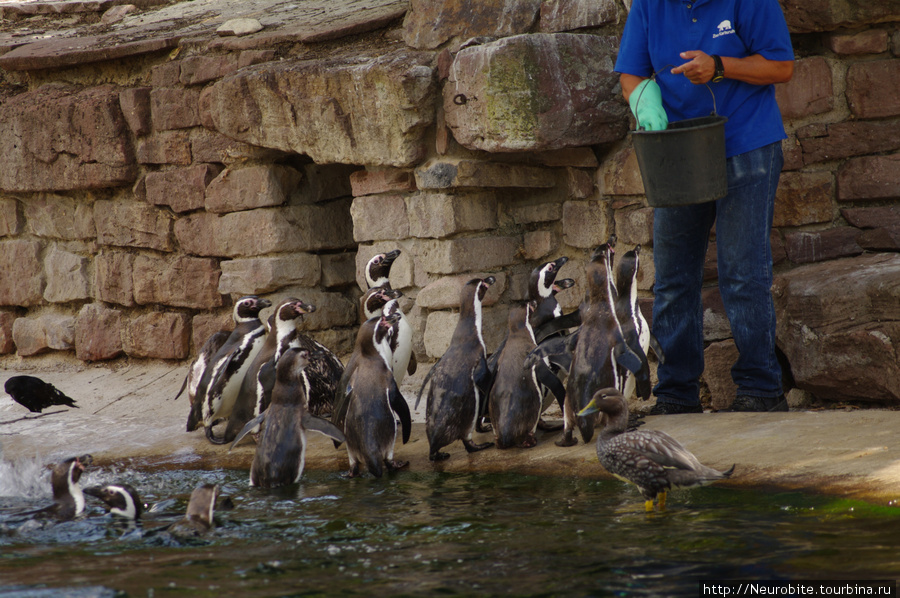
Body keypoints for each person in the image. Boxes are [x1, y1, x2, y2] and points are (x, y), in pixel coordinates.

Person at [615, 0, 794, 413]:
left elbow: (781, 67)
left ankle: (761, 388)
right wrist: (645, 105)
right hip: (677, 148)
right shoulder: (649, 5)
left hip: (746, 142)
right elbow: (631, 74)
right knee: (674, 276)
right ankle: (677, 392)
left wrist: (720, 66)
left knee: (742, 271)